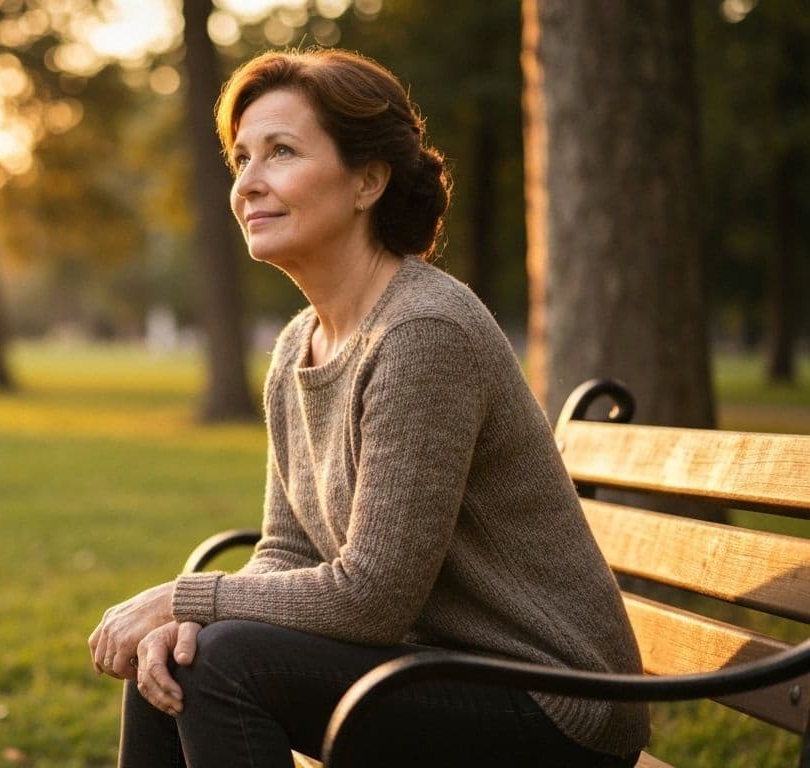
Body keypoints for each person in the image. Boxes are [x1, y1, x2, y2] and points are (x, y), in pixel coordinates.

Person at [87, 48, 649, 767]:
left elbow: (372, 598)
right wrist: (183, 617)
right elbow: (286, 548)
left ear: (368, 181)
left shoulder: (422, 333)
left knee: (212, 658)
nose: (249, 184)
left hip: (554, 705)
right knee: (168, 656)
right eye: (241, 159)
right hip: (438, 668)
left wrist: (188, 597)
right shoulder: (298, 346)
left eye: (281, 153)